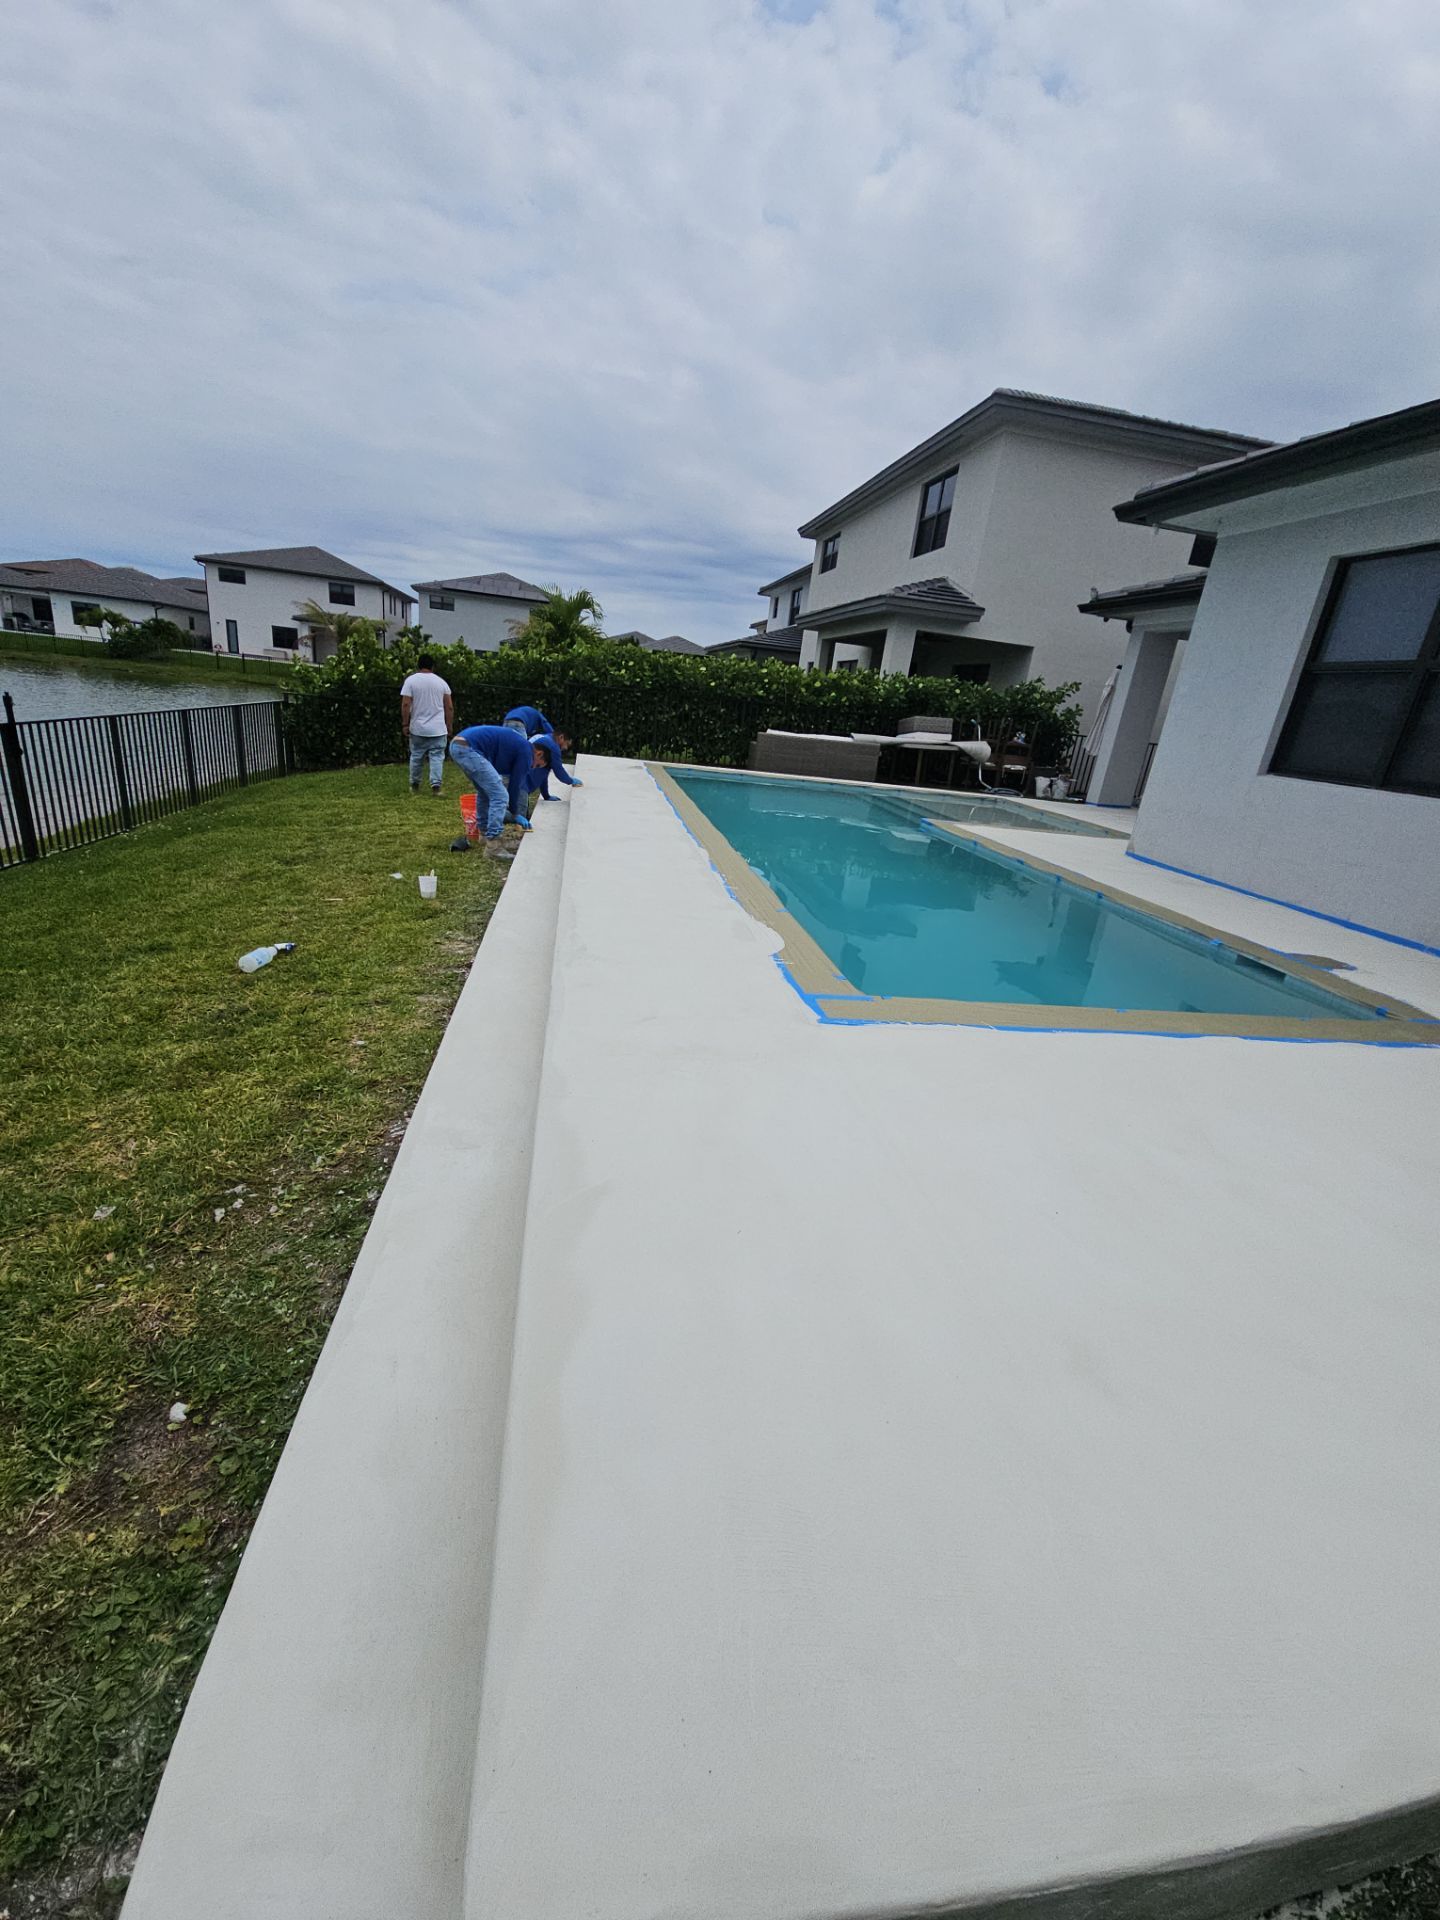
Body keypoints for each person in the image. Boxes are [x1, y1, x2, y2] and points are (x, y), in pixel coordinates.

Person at [448, 724, 547, 856]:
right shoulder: (526, 752)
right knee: (499, 795)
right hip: (468, 748)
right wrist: (515, 813)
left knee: (485, 792)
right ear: (538, 754)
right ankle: (494, 846)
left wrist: (514, 812)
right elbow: (515, 784)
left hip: (459, 745)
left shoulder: (520, 747)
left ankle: (484, 835)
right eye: (537, 764)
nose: (533, 767)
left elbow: (512, 780)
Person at [400, 656, 454, 795]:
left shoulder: (410, 681)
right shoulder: (441, 683)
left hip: (417, 728)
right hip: (438, 729)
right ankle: (436, 787)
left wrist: (405, 724)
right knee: (436, 757)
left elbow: (406, 704)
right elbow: (449, 707)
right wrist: (449, 725)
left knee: (416, 756)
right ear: (433, 667)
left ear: (418, 665)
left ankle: (414, 785)